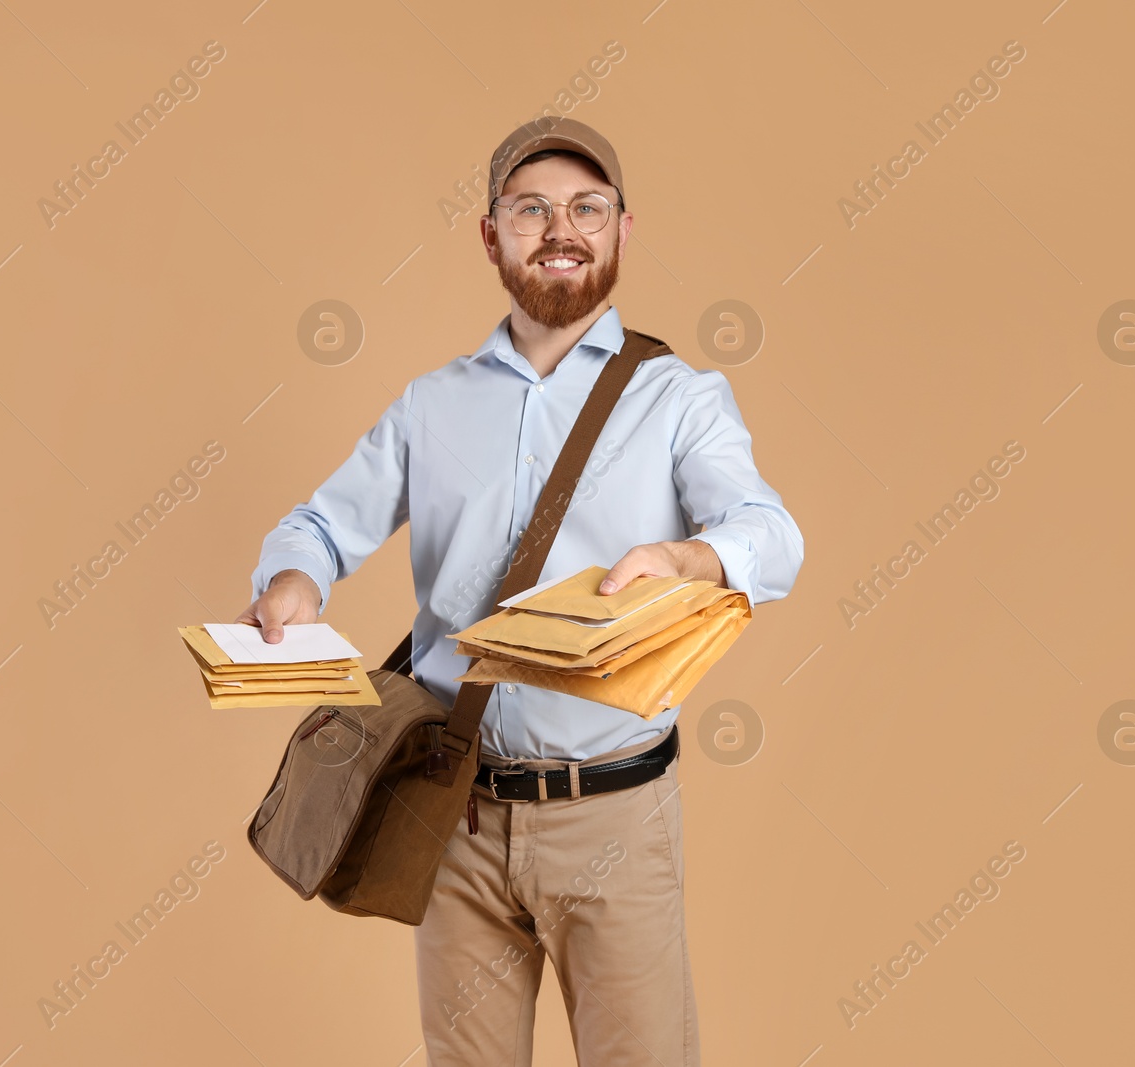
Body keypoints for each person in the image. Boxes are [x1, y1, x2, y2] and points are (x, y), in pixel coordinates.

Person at [237, 117, 803, 1066]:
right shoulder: (432, 403)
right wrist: (294, 579)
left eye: (587, 207)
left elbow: (771, 536)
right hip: (452, 812)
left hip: (615, 815)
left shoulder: (680, 398)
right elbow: (322, 524)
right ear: (491, 234)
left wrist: (685, 560)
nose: (561, 228)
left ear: (623, 230)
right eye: (530, 208)